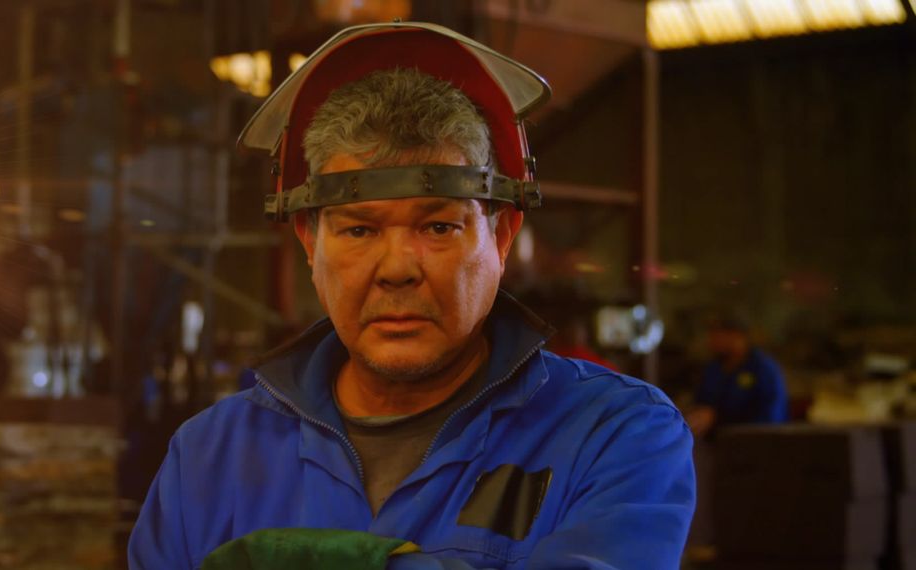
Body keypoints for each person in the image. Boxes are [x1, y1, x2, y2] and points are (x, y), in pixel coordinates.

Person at [129, 22, 694, 570]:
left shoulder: (614, 434)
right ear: (310, 242)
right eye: (359, 230)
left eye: (438, 228)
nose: (397, 269)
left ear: (501, 237)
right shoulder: (208, 457)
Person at [685, 314, 788, 439]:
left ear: (737, 335)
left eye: (717, 334)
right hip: (715, 446)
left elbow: (771, 418)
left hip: (756, 445)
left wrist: (718, 418)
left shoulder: (764, 369)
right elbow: (701, 404)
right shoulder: (713, 368)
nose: (710, 340)